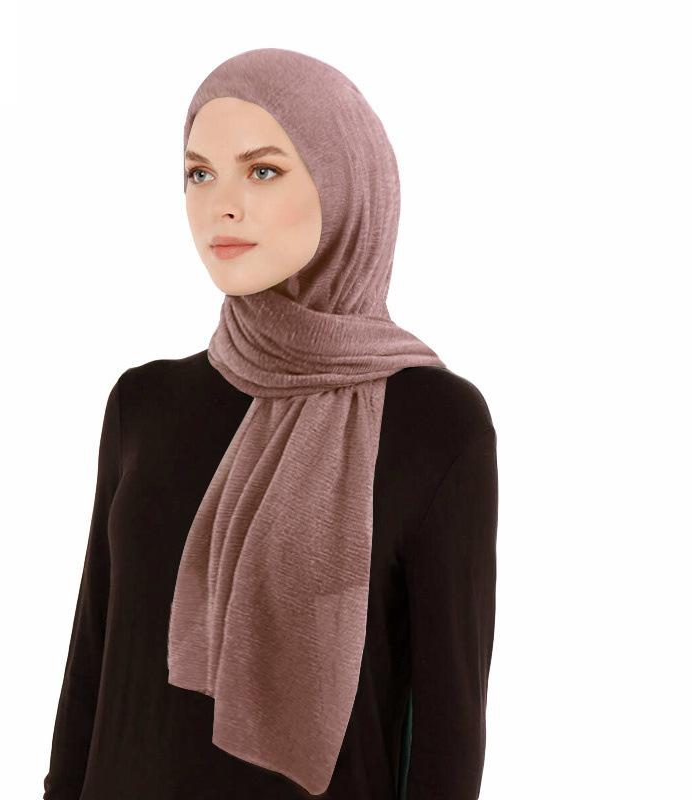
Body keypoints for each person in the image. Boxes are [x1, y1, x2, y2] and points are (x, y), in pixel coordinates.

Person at [43, 48, 498, 800]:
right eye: (199, 173)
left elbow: (448, 737)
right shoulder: (143, 404)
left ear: (346, 183)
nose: (221, 205)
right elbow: (91, 672)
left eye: (262, 170)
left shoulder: (434, 421)